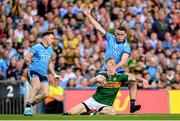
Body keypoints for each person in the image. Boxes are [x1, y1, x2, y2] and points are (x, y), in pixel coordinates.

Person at [83, 6, 147, 113]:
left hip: (118, 70)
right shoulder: (110, 38)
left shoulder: (126, 46)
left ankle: (132, 105)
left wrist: (115, 68)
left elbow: (124, 60)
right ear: (115, 33)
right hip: (106, 70)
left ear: (125, 35)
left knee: (133, 81)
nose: (119, 36)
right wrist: (89, 15)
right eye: (118, 34)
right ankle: (90, 108)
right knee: (100, 87)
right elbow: (99, 27)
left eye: (122, 34)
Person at [65, 58, 147, 115]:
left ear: (115, 66)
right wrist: (97, 79)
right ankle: (89, 112)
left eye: (113, 62)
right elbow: (90, 82)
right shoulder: (102, 74)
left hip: (105, 105)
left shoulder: (120, 77)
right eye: (109, 62)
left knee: (111, 112)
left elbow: (134, 78)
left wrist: (143, 80)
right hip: (93, 101)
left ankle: (92, 114)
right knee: (71, 113)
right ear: (106, 66)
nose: (112, 63)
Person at [23, 32, 61, 116]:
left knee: (46, 94)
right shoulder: (36, 47)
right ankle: (28, 108)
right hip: (33, 71)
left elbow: (50, 63)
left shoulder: (50, 49)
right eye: (52, 38)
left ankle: (29, 106)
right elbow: (27, 56)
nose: (53, 39)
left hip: (43, 74)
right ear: (45, 38)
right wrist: (27, 59)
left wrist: (54, 74)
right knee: (37, 86)